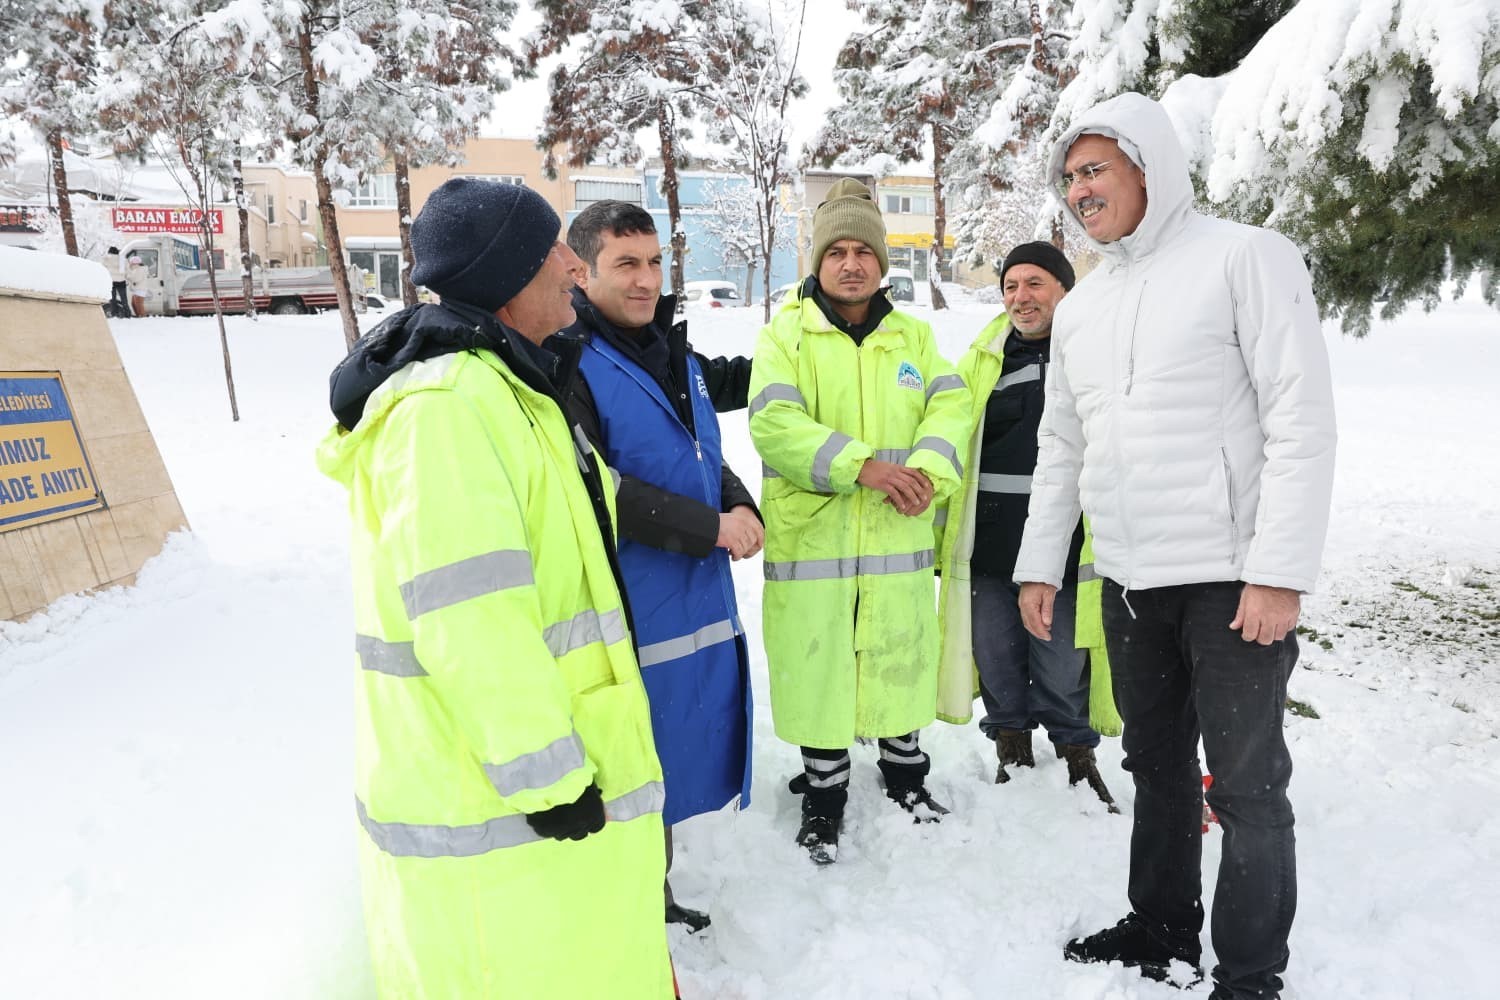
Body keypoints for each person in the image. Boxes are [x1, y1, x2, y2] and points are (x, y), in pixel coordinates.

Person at [317, 178, 675, 999]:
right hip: (494, 808)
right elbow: (470, 617)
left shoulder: (511, 387)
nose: (574, 267)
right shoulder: (447, 410)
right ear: (508, 274)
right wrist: (549, 776)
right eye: (554, 250)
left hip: (535, 791)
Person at [1013, 93, 1336, 1000]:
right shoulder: (1083, 306)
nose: (1079, 190)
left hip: (1232, 581)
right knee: (1156, 767)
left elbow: (1302, 419)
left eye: (1095, 169)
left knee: (1245, 788)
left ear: (1149, 165)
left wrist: (1278, 573)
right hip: (1130, 581)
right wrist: (1041, 562)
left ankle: (1250, 976)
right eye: (1069, 177)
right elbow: (1062, 445)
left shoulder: (1244, 257)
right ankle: (1160, 926)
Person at [549, 200, 759, 933]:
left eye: (654, 262)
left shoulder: (671, 351)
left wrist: (737, 502)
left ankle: (652, 896)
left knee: (663, 750)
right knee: (624, 751)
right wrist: (710, 527)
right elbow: (598, 489)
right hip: (623, 600)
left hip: (687, 591)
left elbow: (696, 449)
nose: (645, 280)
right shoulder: (568, 361)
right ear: (583, 272)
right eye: (625, 264)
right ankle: (628, 910)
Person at [748, 178, 971, 864]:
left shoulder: (913, 338)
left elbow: (952, 407)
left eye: (864, 252)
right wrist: (862, 466)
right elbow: (774, 424)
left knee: (898, 654)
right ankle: (824, 793)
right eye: (837, 252)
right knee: (818, 665)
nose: (851, 264)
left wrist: (928, 473)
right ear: (818, 261)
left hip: (895, 539)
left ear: (882, 262)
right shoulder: (785, 336)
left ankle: (906, 775)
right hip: (815, 542)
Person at [932, 242, 1119, 810]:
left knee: (1062, 660)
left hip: (1065, 549)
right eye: (1011, 286)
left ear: (1065, 290)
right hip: (989, 546)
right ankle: (1011, 747)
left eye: (1035, 283)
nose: (1021, 297)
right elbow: (949, 442)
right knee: (996, 656)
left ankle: (1077, 754)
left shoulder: (1093, 355)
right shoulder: (983, 362)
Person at [101, 246, 128, 316]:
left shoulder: (106, 258)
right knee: (124, 299)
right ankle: (127, 314)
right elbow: (127, 269)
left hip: (111, 281)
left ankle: (114, 313)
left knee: (112, 299)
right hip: (121, 281)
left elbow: (102, 268)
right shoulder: (123, 259)